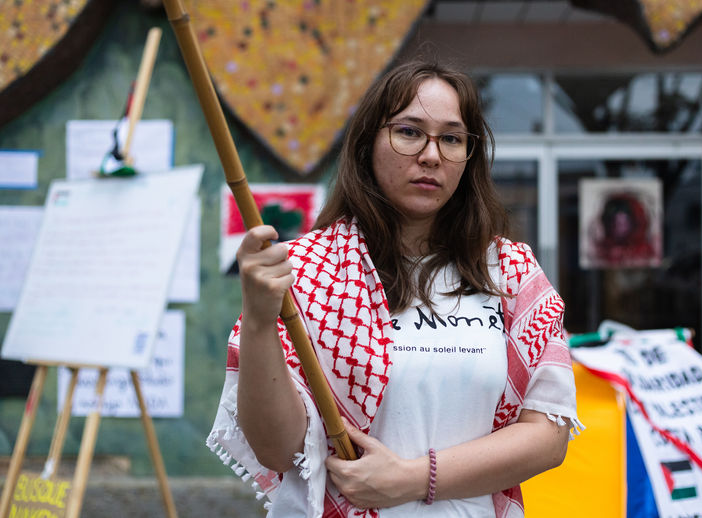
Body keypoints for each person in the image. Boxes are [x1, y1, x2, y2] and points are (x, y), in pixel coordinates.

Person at [207, 59, 582, 518]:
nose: (431, 155)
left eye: (451, 138)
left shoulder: (510, 271)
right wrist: (261, 320)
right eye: (409, 132)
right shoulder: (302, 270)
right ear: (367, 144)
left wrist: (412, 478)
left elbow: (548, 437)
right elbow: (279, 451)